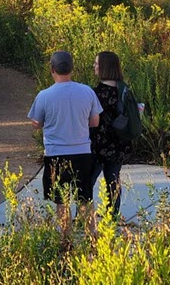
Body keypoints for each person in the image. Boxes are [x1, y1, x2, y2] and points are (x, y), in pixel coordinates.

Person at [28, 50, 101, 241]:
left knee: (61, 199)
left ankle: (65, 237)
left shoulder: (44, 95)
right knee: (85, 196)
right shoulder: (87, 91)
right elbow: (95, 122)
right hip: (82, 151)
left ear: (52, 69)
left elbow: (36, 122)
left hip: (56, 153)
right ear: (72, 68)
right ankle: (92, 234)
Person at [89, 51, 133, 220]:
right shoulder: (125, 90)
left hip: (98, 144)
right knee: (113, 180)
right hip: (119, 143)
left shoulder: (95, 93)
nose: (94, 66)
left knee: (88, 181)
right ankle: (112, 214)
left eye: (97, 63)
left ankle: (83, 216)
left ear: (104, 67)